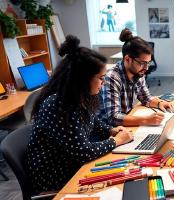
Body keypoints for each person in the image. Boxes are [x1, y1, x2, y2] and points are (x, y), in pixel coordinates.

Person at [26, 35, 133, 193]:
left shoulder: (79, 97)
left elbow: (93, 121)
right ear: (83, 79)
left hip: (72, 163)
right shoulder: (60, 106)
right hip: (56, 176)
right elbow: (83, 152)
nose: (103, 83)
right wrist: (116, 141)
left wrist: (110, 130)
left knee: (124, 172)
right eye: (100, 78)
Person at [99, 28, 174, 126]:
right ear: (127, 59)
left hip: (126, 123)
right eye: (142, 63)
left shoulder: (138, 73)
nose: (146, 68)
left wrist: (159, 103)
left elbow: (146, 98)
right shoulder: (112, 78)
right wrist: (146, 120)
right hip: (108, 131)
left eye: (148, 63)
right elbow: (113, 118)